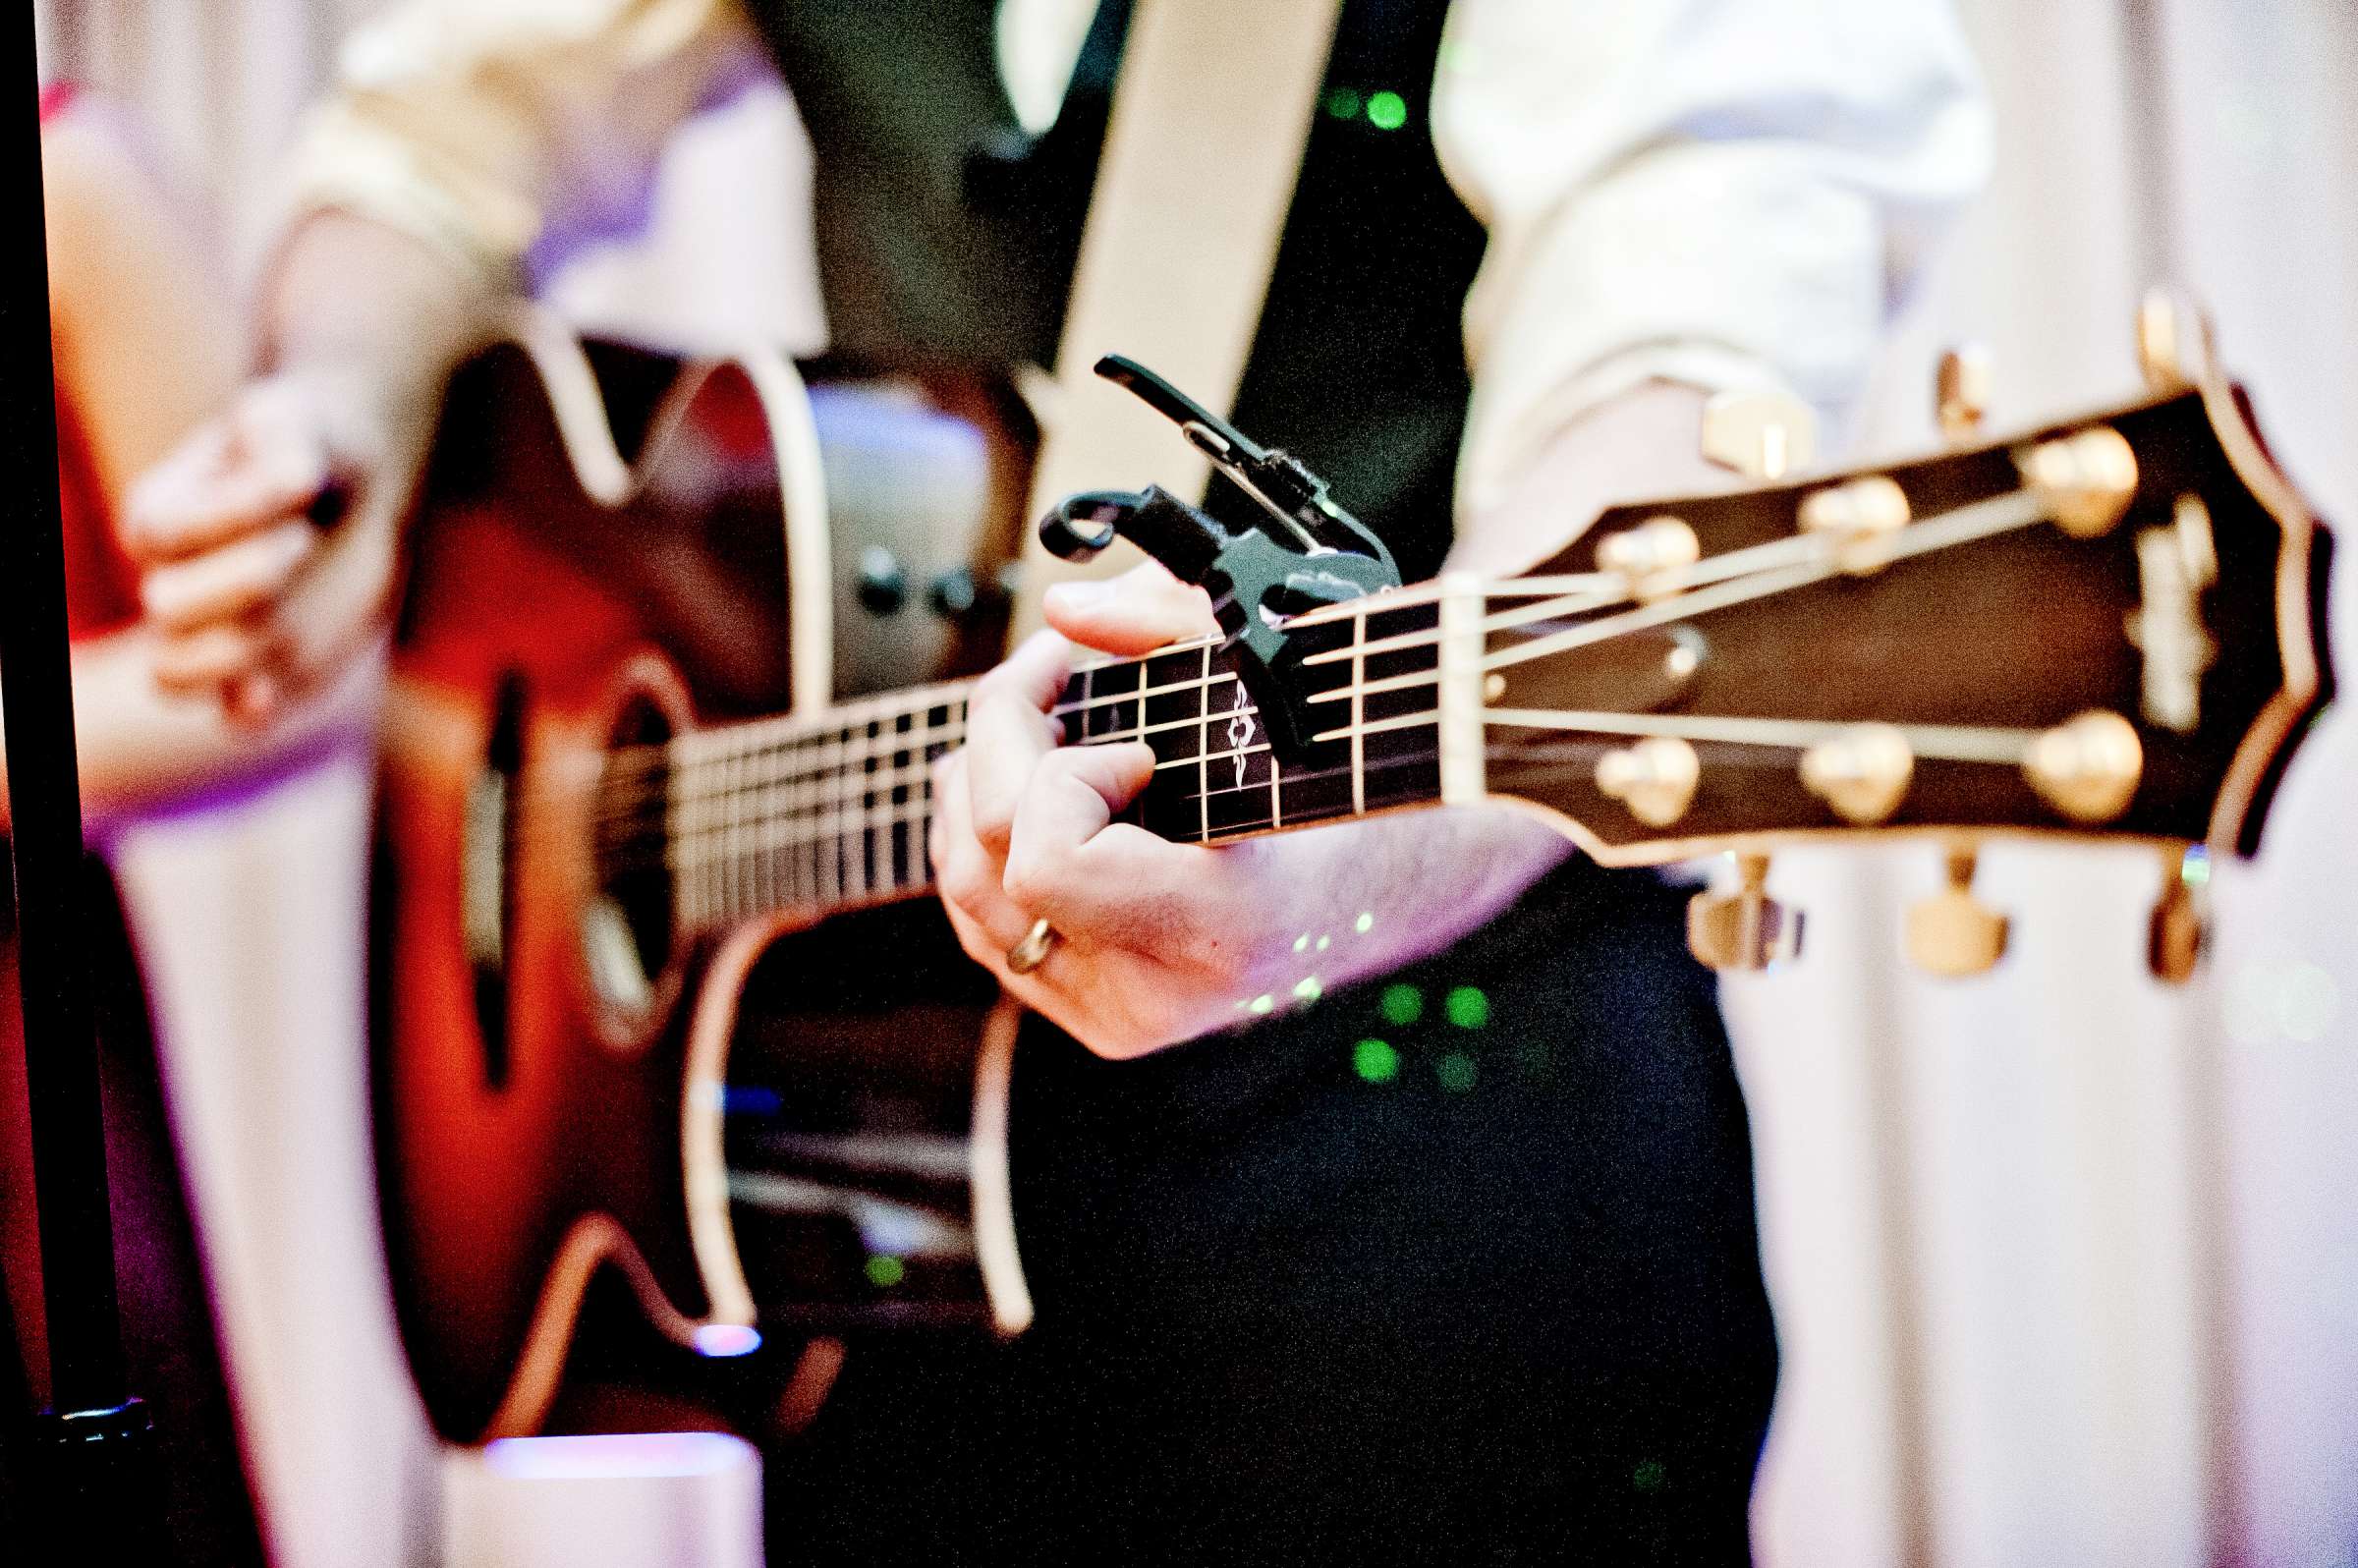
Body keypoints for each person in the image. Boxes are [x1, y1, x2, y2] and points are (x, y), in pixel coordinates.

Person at [124, 1, 1989, 1558]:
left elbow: (1665, 411)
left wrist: (1349, 863)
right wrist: (334, 404)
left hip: (1442, 1195)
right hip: (876, 1253)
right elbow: (440, 137)